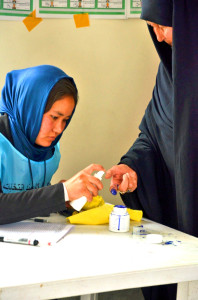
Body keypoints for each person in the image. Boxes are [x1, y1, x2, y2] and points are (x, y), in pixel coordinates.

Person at [106, 1, 198, 299]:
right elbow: (154, 136)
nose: (158, 37)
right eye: (151, 28)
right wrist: (131, 165)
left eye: (162, 26)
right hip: (182, 222)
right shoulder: (171, 73)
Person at [0, 65, 105, 225]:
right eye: (54, 117)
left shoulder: (50, 150)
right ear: (30, 108)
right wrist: (60, 193)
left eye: (65, 120)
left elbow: (28, 197)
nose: (59, 129)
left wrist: (65, 200)